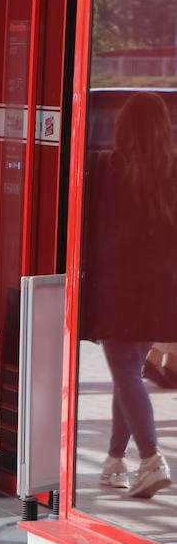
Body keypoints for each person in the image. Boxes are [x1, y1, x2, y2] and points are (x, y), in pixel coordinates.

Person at [83, 91, 175, 499]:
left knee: (125, 374)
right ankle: (114, 462)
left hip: (114, 290)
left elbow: (88, 230)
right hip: (158, 293)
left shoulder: (106, 165)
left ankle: (152, 459)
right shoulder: (172, 168)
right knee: (130, 374)